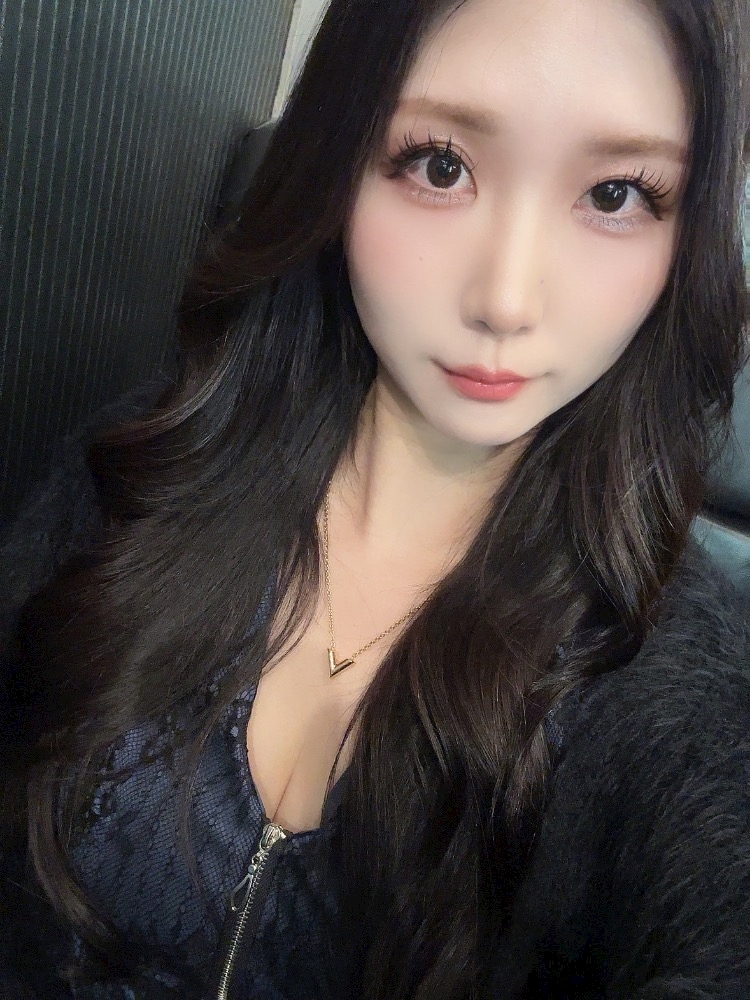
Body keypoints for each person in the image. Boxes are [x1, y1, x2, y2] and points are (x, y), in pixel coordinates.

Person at [1, 0, 749, 996]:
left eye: (616, 193)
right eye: (440, 166)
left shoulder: (676, 682)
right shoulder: (144, 472)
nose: (507, 299)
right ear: (338, 161)